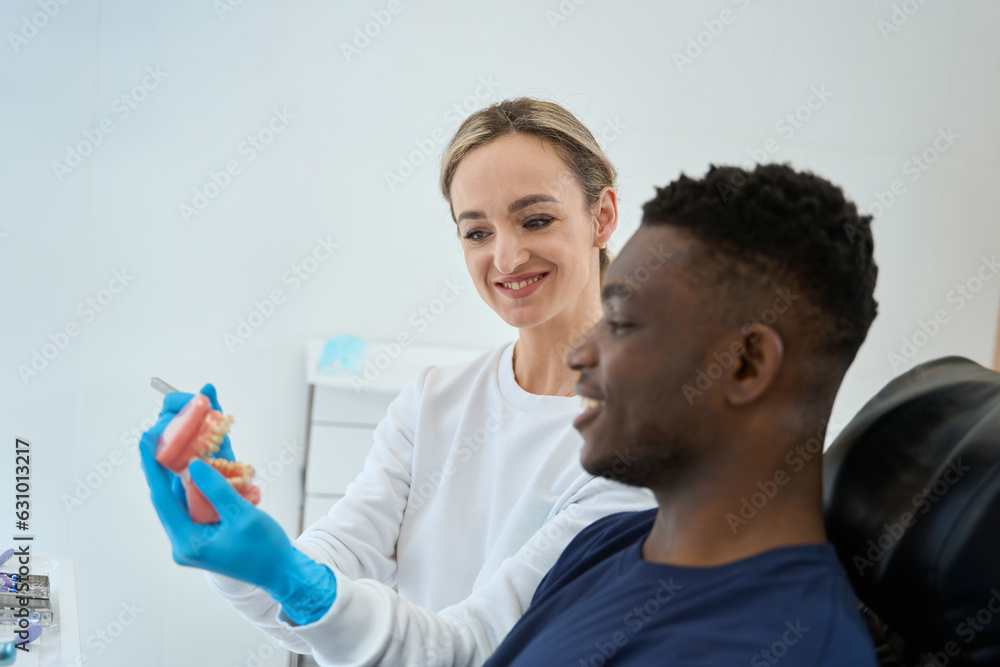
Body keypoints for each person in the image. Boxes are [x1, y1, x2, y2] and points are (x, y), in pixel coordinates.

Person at [138, 98, 655, 665]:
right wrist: (236, 550)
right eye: (476, 232)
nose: (505, 257)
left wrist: (290, 578)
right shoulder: (435, 400)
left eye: (536, 220)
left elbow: (482, 647)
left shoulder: (641, 441)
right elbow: (328, 574)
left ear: (602, 217)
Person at [482, 164, 881, 666]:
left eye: (622, 324)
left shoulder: (782, 647)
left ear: (745, 365)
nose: (579, 356)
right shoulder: (606, 544)